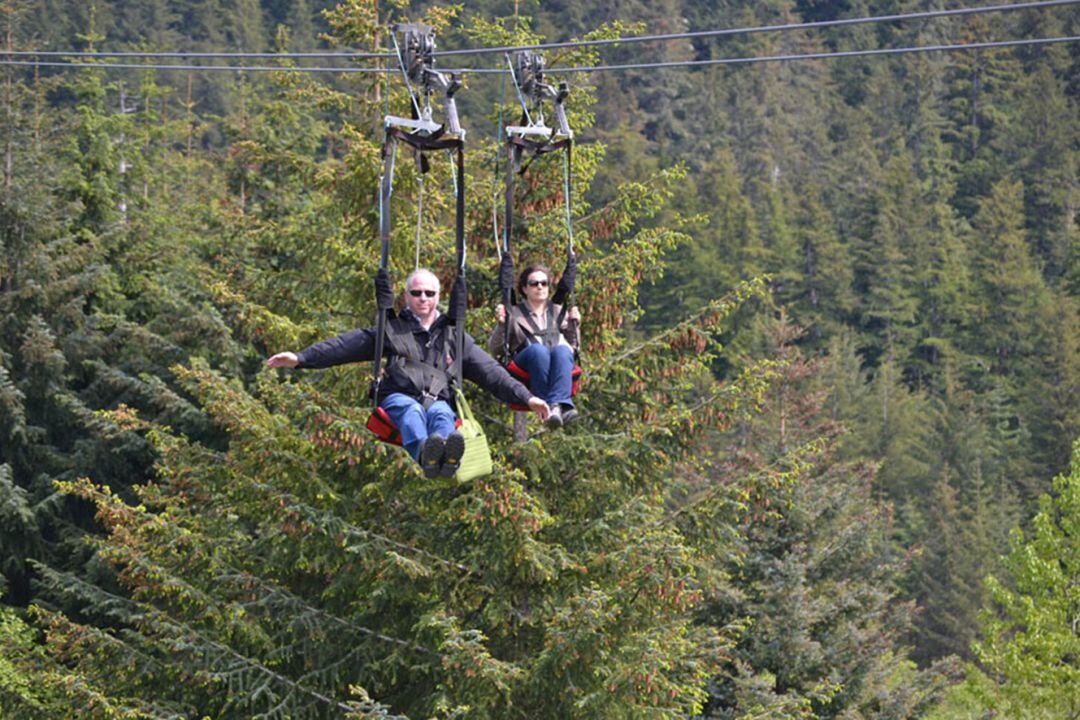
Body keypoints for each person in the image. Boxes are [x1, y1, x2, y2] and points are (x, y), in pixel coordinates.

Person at [268, 268, 550, 478]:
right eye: (416, 293)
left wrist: (527, 398)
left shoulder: (454, 335)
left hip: (438, 398)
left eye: (429, 293)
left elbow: (491, 373)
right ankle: (426, 455)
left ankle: (447, 458)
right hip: (399, 397)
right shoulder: (392, 330)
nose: (423, 298)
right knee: (411, 412)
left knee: (441, 414)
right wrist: (301, 358)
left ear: (439, 297)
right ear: (406, 296)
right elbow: (345, 346)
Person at [489, 264, 581, 428]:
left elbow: (573, 346)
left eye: (544, 283)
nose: (540, 287)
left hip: (556, 362)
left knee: (563, 350)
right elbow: (495, 349)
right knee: (538, 350)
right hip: (526, 363)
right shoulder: (514, 313)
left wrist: (575, 324)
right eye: (534, 283)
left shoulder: (559, 311)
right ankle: (546, 403)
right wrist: (502, 325)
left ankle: (556, 406)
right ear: (525, 288)